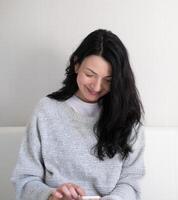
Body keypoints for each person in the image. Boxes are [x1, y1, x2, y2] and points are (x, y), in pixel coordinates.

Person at [11, 29, 145, 200]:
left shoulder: (127, 117)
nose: (96, 87)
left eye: (108, 80)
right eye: (90, 75)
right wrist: (53, 196)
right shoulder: (46, 111)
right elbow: (25, 179)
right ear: (76, 64)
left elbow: (131, 184)